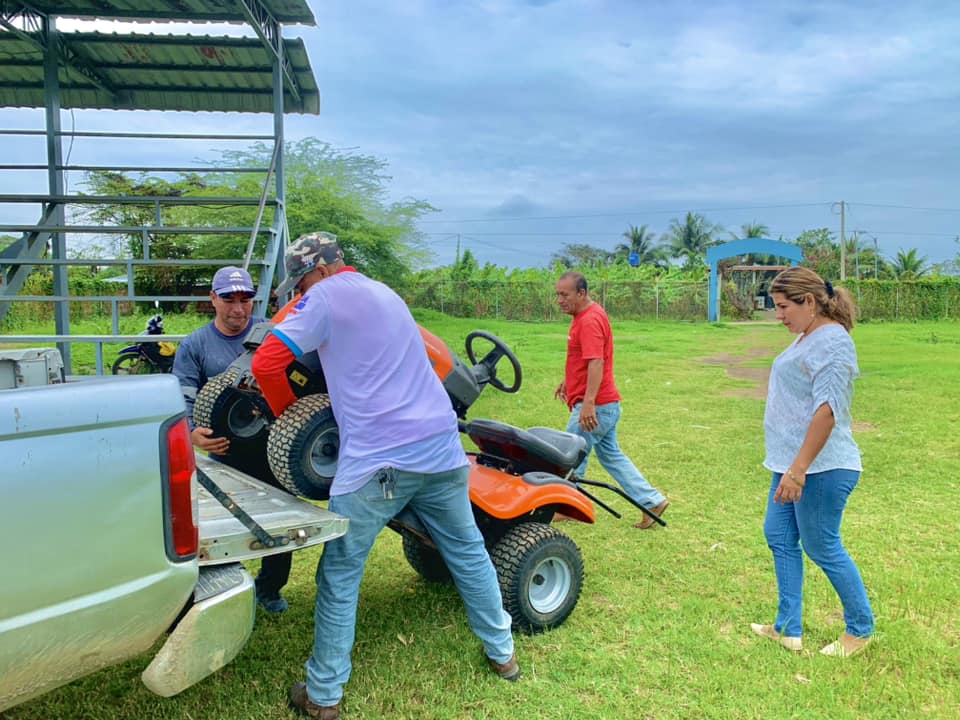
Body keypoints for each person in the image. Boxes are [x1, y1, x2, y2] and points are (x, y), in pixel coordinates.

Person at [251, 232, 518, 720]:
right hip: (441, 449)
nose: (301, 291)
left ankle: (323, 695)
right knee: (468, 551)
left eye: (302, 282)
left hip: (377, 461)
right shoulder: (386, 292)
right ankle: (503, 654)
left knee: (341, 573)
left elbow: (266, 362)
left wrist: (291, 419)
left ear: (321, 270)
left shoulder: (324, 298)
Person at [750, 266, 874, 658]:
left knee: (822, 546)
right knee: (779, 535)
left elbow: (828, 409)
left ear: (809, 301)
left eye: (783, 307)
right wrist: (790, 467)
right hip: (790, 463)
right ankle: (788, 628)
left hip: (820, 467)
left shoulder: (833, 342)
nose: (778, 315)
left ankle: (860, 630)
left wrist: (799, 469)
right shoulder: (809, 336)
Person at [172, 265, 293, 614]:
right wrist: (192, 433)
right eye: (229, 299)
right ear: (213, 299)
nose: (238, 309)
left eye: (245, 299)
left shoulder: (274, 336)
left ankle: (269, 589)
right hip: (222, 453)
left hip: (272, 448)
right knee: (220, 527)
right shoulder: (196, 345)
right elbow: (182, 395)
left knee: (281, 522)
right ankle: (222, 593)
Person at [554, 271, 669, 529]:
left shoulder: (589, 320)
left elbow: (597, 361)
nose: (560, 300)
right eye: (558, 295)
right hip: (605, 404)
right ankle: (652, 501)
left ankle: (568, 505)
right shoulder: (585, 315)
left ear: (581, 293)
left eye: (565, 295)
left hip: (597, 406)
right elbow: (584, 359)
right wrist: (568, 382)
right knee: (611, 456)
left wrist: (589, 403)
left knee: (570, 454)